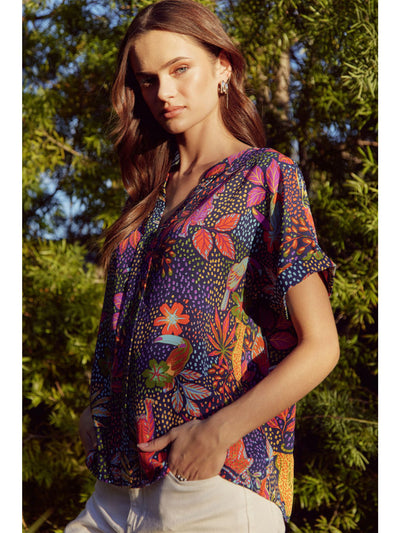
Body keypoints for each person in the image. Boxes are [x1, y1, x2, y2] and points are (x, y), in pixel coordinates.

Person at [65, 0, 339, 531]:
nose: (163, 93)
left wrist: (216, 434)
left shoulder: (265, 177)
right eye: (148, 80)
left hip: (211, 485)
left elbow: (321, 345)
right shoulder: (145, 199)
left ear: (222, 68)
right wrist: (93, 409)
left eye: (179, 69)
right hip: (115, 488)